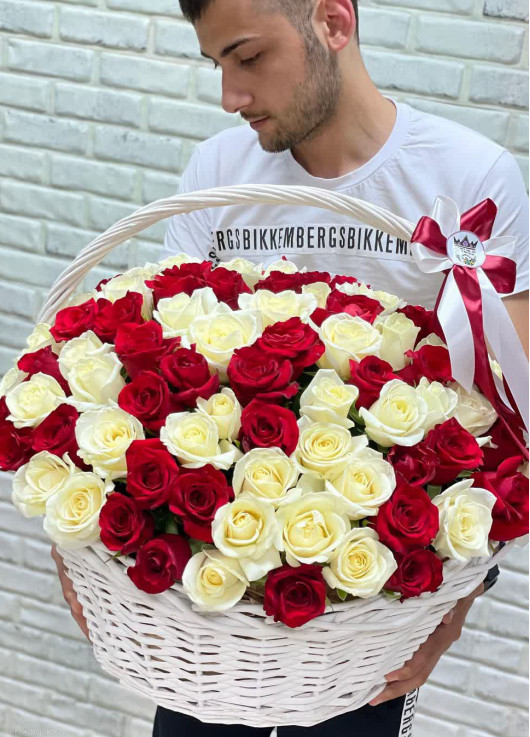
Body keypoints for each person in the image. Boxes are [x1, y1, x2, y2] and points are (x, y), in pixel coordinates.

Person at [52, 0, 529, 735]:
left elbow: (505, 425)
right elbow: (155, 373)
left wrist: (449, 610)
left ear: (333, 23)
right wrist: (81, 536)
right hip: (213, 610)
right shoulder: (219, 170)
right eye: (217, 65)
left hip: (372, 615)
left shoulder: (470, 178)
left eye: (247, 58)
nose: (229, 96)